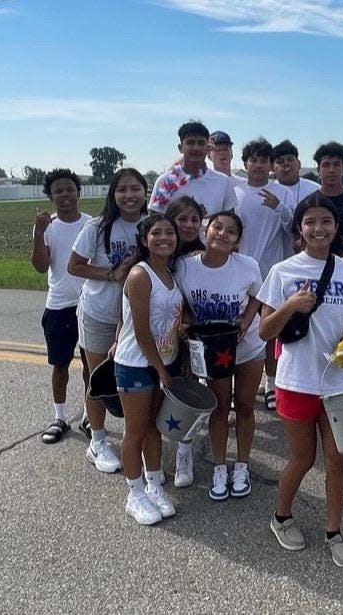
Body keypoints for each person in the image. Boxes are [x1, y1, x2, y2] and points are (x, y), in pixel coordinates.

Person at [257, 192, 343, 568]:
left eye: (325, 221)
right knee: (302, 459)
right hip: (296, 381)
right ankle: (281, 517)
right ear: (299, 230)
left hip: (336, 381)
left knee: (338, 461)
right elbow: (264, 332)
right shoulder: (282, 271)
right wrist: (291, 305)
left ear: (336, 228)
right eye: (310, 222)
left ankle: (334, 531)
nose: (318, 228)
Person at [175, 211, 265, 500]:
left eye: (231, 231)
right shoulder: (186, 266)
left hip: (248, 347)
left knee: (246, 406)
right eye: (218, 227)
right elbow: (182, 301)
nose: (223, 234)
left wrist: (246, 322)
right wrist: (185, 321)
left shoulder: (247, 266)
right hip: (213, 352)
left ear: (237, 240)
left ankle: (242, 464)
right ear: (206, 230)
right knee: (219, 408)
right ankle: (218, 466)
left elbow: (257, 297)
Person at [69, 168, 148, 473]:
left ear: (145, 192)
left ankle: (137, 440)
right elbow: (74, 265)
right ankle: (98, 440)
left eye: (135, 189)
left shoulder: (152, 223)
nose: (129, 195)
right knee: (98, 376)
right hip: (99, 312)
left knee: (138, 381)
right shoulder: (98, 227)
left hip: (139, 316)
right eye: (122, 190)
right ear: (113, 195)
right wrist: (111, 275)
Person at [114, 214, 184, 525]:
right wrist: (161, 370)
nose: (164, 238)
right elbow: (141, 331)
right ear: (145, 240)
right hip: (137, 364)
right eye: (156, 233)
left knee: (154, 428)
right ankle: (134, 492)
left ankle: (154, 484)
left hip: (163, 361)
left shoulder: (168, 273)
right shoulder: (140, 276)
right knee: (135, 431)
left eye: (170, 232)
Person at [233, 137, 297, 413]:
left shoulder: (281, 192)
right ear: (245, 163)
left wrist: (279, 207)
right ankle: (238, 390)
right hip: (240, 274)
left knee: (271, 334)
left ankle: (271, 385)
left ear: (271, 165)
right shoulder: (235, 191)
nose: (258, 165)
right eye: (253, 160)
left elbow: (295, 227)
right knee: (239, 329)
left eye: (263, 160)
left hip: (272, 273)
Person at [32, 169, 92, 444]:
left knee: (92, 364)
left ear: (78, 192)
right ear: (51, 196)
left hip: (89, 304)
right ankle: (59, 416)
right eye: (58, 190)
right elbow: (41, 266)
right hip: (58, 304)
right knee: (60, 364)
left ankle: (90, 416)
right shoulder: (47, 226)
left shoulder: (91, 225)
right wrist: (40, 232)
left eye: (69, 189)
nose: (65, 194)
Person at [164, 196, 206, 487]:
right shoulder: (158, 252)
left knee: (187, 393)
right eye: (182, 219)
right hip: (158, 335)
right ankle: (151, 459)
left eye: (195, 219)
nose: (189, 225)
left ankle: (184, 452)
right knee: (157, 395)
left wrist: (189, 324)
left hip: (189, 335)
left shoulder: (204, 254)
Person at [148, 120, 239, 217]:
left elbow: (230, 222)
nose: (196, 148)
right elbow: (154, 221)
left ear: (208, 148)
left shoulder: (223, 182)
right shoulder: (166, 182)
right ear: (180, 148)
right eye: (190, 143)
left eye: (201, 143)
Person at [273, 139, 320, 256]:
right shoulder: (268, 191)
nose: (286, 164)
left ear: (298, 164)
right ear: (272, 168)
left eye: (290, 159)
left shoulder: (315, 190)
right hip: (275, 258)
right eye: (280, 161)